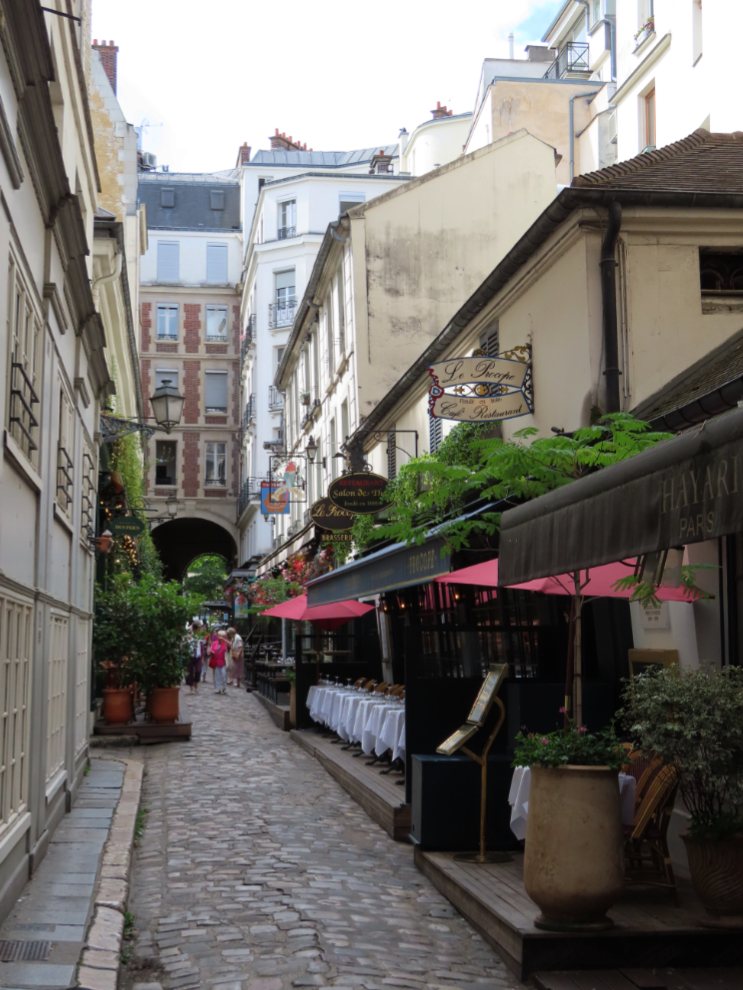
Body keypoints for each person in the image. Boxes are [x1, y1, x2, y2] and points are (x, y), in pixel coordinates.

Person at [209, 630, 230, 694]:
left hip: (223, 662)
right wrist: (211, 652)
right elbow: (211, 649)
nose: (219, 637)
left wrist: (224, 639)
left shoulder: (226, 643)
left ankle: (224, 688)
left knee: (224, 675)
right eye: (218, 636)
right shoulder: (215, 643)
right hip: (216, 661)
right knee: (217, 676)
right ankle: (217, 688)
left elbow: (230, 646)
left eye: (220, 636)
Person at [185, 621, 203, 692]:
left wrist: (202, 657)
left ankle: (196, 682)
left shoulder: (199, 636)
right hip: (190, 656)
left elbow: (201, 646)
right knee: (189, 671)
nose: (200, 629)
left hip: (198, 656)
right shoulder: (189, 635)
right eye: (199, 628)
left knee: (198, 670)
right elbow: (185, 645)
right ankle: (191, 686)